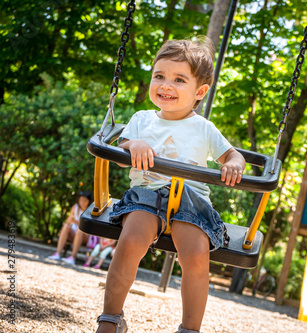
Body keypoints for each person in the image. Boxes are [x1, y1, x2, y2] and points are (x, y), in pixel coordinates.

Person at [95, 38, 245, 333]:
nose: (166, 85)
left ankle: (189, 329)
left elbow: (232, 154)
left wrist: (234, 164)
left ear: (199, 91)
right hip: (146, 195)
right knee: (130, 242)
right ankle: (111, 318)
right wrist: (133, 144)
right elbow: (123, 150)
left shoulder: (204, 127)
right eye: (159, 76)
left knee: (196, 255)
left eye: (179, 79)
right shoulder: (141, 119)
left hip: (191, 201)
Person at [48, 190, 92, 264]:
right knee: (66, 226)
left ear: (89, 201)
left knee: (79, 230)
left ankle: (73, 257)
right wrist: (70, 221)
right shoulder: (75, 207)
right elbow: (68, 221)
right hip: (73, 234)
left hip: (85, 236)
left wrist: (76, 222)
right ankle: (58, 253)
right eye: (81, 200)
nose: (82, 202)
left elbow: (88, 229)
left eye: (85, 201)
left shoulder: (90, 210)